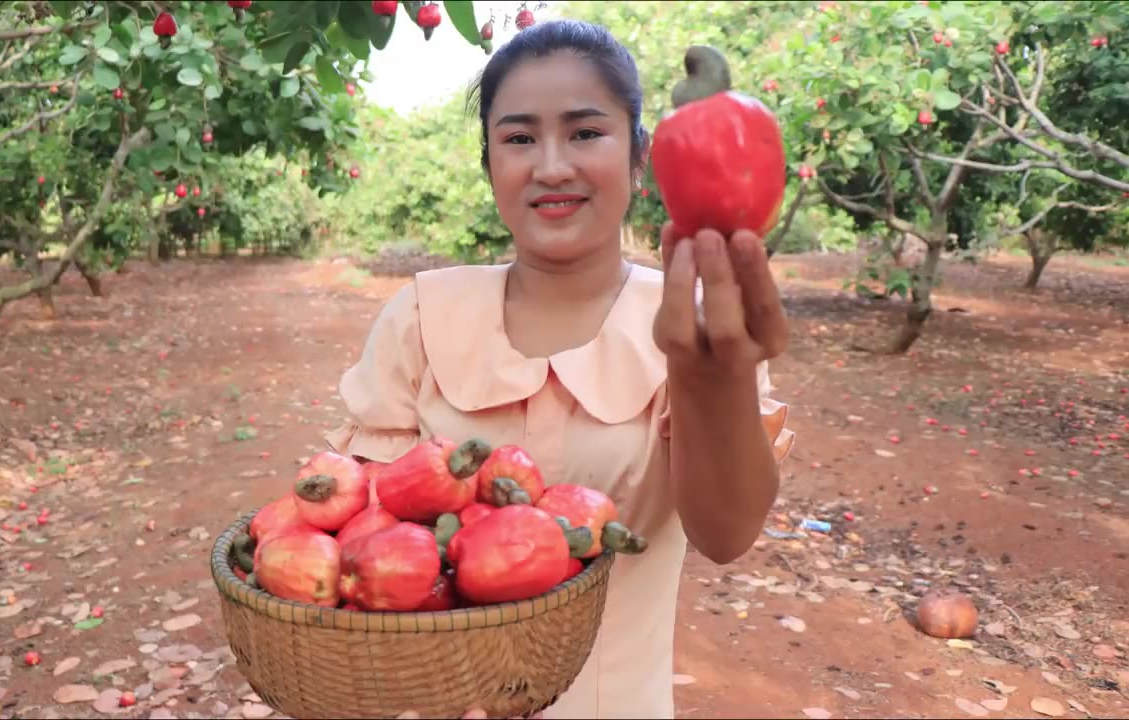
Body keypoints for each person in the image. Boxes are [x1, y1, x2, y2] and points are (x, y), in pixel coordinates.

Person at [327, 18, 795, 720]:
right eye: (518, 138)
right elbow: (361, 538)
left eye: (585, 133)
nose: (551, 166)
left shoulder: (694, 325)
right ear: (490, 165)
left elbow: (725, 535)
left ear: (639, 159)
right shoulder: (421, 317)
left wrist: (711, 380)